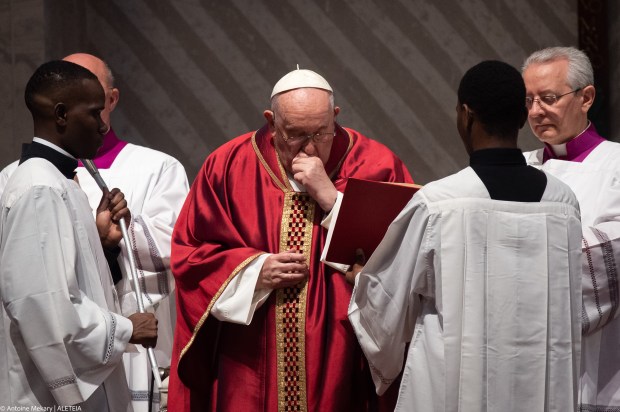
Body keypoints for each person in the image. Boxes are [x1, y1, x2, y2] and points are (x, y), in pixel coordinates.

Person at [169, 68, 413, 411]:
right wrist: (253, 272)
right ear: (271, 121)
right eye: (295, 134)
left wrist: (330, 197)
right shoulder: (226, 166)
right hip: (251, 354)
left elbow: (404, 256)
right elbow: (190, 254)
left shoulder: (376, 165)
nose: (310, 146)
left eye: (321, 132)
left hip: (340, 350)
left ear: (336, 116)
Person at [348, 60, 582, 411]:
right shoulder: (562, 202)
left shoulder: (440, 202)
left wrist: (362, 279)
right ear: (522, 117)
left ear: (466, 114)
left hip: (456, 388)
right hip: (542, 384)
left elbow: (388, 303)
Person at [0, 53, 189, 411]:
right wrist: (125, 329)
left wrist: (103, 245)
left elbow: (68, 279)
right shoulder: (39, 187)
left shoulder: (57, 181)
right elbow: (39, 301)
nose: (103, 126)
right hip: (46, 393)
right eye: (92, 113)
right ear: (60, 114)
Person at [522, 46, 620, 410]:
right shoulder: (517, 169)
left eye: (548, 98)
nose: (535, 112)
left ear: (586, 97)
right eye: (528, 100)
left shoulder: (615, 165)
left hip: (602, 361)